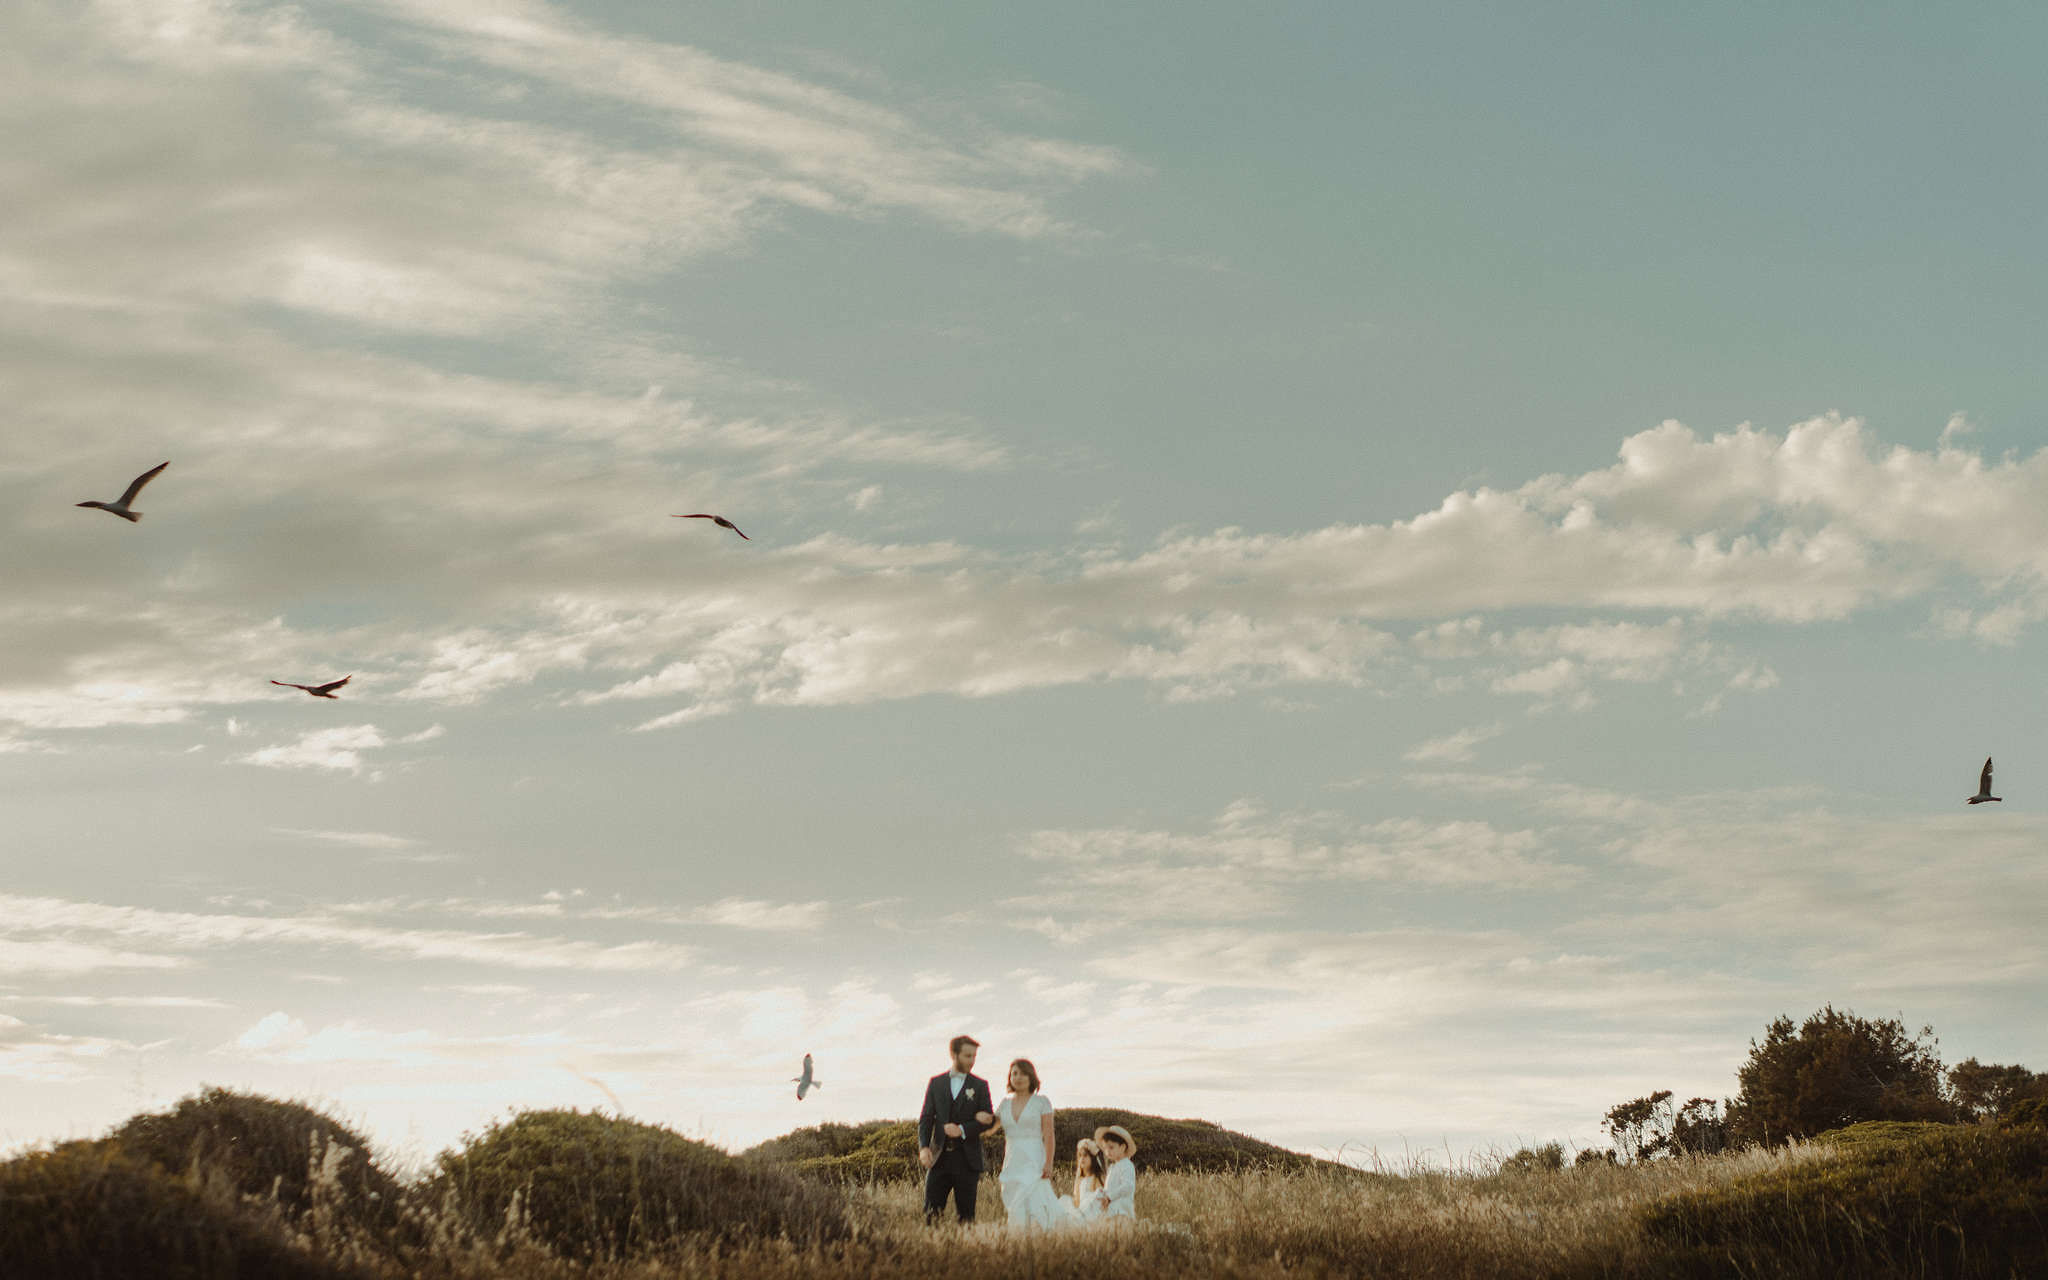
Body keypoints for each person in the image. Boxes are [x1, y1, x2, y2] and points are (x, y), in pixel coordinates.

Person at [918, 1035, 995, 1224]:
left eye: (974, 1056)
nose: (972, 1061)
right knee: (931, 1216)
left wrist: (962, 1129)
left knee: (966, 1219)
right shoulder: (936, 1083)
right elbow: (926, 1118)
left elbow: (988, 1121)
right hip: (939, 1159)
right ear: (953, 1054)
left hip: (967, 1161)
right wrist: (923, 1147)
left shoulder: (980, 1085)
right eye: (967, 1056)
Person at [985, 1057, 1067, 1231]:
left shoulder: (1041, 1102)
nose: (1018, 1077)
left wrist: (1049, 1163)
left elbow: (1049, 1134)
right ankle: (1019, 1238)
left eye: (1023, 1073)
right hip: (1012, 1160)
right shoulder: (1005, 1104)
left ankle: (1041, 1235)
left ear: (1031, 1077)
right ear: (1009, 1078)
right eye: (1014, 1074)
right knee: (1015, 1200)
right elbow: (989, 1130)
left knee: (1035, 1198)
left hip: (1034, 1158)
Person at [1094, 1125, 1137, 1221]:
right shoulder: (1113, 1167)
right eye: (1105, 1148)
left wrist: (1109, 1197)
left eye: (1111, 1147)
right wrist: (1104, 1192)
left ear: (1122, 1147)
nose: (1107, 1151)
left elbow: (1128, 1186)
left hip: (1121, 1207)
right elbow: (1110, 1186)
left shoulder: (1127, 1165)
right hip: (1111, 1204)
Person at [1068, 1137, 1108, 1223]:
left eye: (1085, 1155)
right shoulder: (1079, 1180)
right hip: (1081, 1211)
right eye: (1080, 1156)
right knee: (1065, 1201)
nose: (1082, 1159)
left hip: (1092, 1212)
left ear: (1093, 1158)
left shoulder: (1096, 1177)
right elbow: (1077, 1200)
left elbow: (1098, 1198)